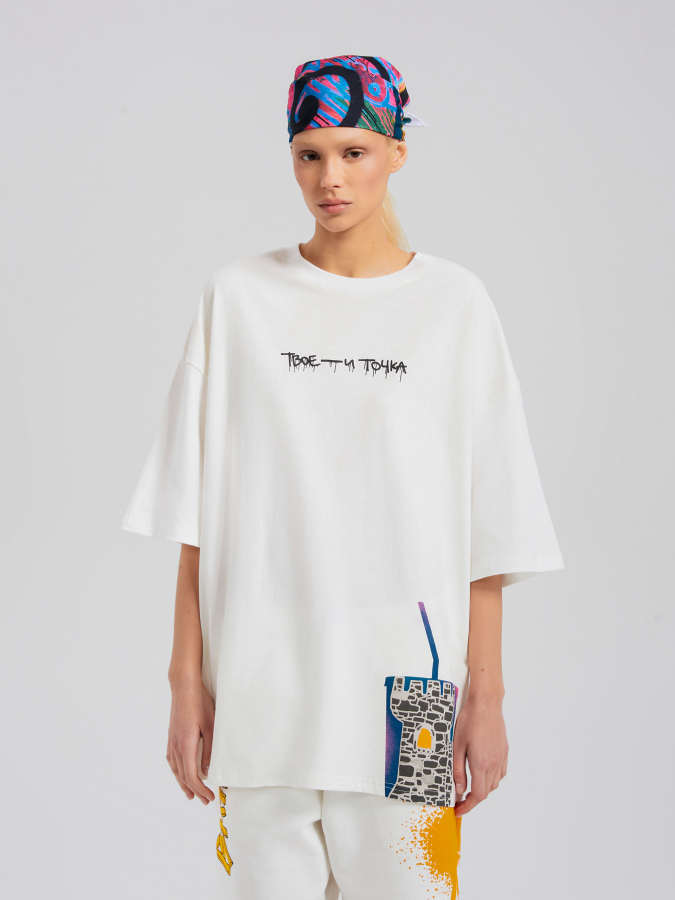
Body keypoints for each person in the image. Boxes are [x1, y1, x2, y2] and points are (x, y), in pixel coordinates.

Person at [122, 55, 563, 899]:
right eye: (310, 154)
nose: (330, 178)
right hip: (259, 686)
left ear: (396, 152)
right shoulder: (238, 298)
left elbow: (489, 525)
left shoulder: (455, 304)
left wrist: (487, 696)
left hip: (413, 699)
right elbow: (196, 519)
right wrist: (185, 684)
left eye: (354, 152)